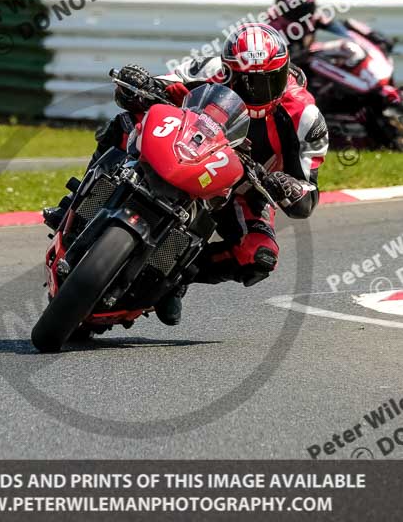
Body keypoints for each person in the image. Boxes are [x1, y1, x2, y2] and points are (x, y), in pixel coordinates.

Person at [46, 23, 328, 326]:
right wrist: (139, 82)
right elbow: (163, 84)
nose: (256, 92)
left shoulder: (305, 116)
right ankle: (73, 203)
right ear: (229, 71)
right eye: (245, 82)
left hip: (245, 185)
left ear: (285, 73)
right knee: (126, 121)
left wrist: (286, 185)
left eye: (269, 81)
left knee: (259, 256)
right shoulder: (211, 69)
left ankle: (177, 278)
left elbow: (307, 197)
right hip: (188, 145)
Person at [268, 0, 394, 62]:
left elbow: (343, 26)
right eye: (297, 8)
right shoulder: (273, 26)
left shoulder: (313, 17)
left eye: (307, 6)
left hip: (311, 64)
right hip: (289, 76)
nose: (303, 13)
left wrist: (373, 36)